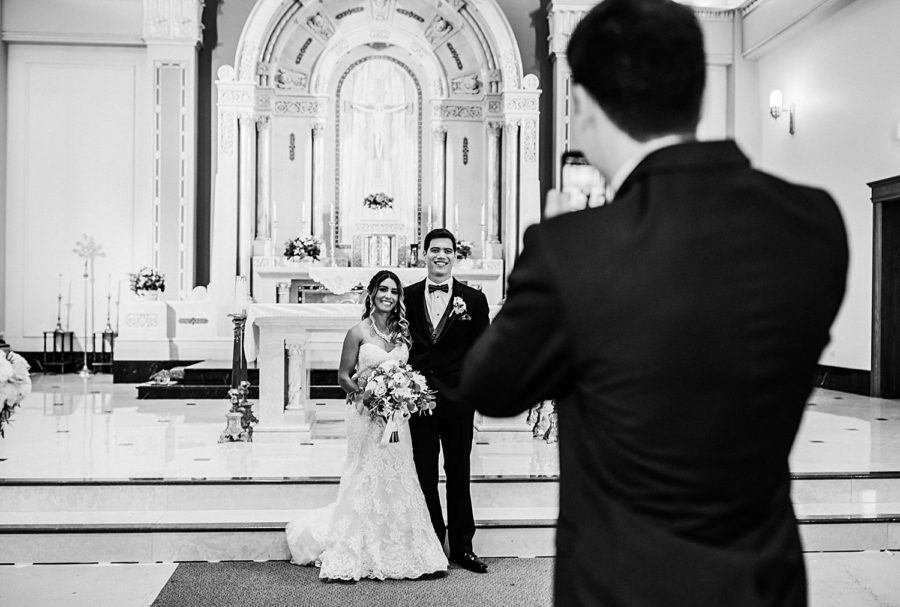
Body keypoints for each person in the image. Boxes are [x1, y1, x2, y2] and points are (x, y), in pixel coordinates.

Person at [459, 1, 848, 605]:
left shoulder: (573, 250)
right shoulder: (815, 224)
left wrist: (544, 259)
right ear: (697, 92)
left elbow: (490, 386)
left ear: (582, 106)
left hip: (623, 585)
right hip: (763, 581)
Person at [285, 270, 447, 581]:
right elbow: (343, 377)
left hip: (397, 418)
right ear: (371, 293)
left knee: (399, 473)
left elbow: (407, 370)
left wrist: (404, 393)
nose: (389, 295)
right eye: (383, 289)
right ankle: (358, 546)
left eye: (394, 291)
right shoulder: (357, 332)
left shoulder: (403, 334)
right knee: (366, 472)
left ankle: (402, 546)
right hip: (365, 414)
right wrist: (369, 395)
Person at [404, 228, 491, 573]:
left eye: (447, 251)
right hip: (418, 402)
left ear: (455, 256)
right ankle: (433, 543)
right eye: (434, 250)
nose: (441, 256)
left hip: (457, 401)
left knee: (459, 473)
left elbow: (482, 350)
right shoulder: (407, 297)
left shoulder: (473, 299)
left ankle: (463, 547)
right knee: (424, 474)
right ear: (423, 254)